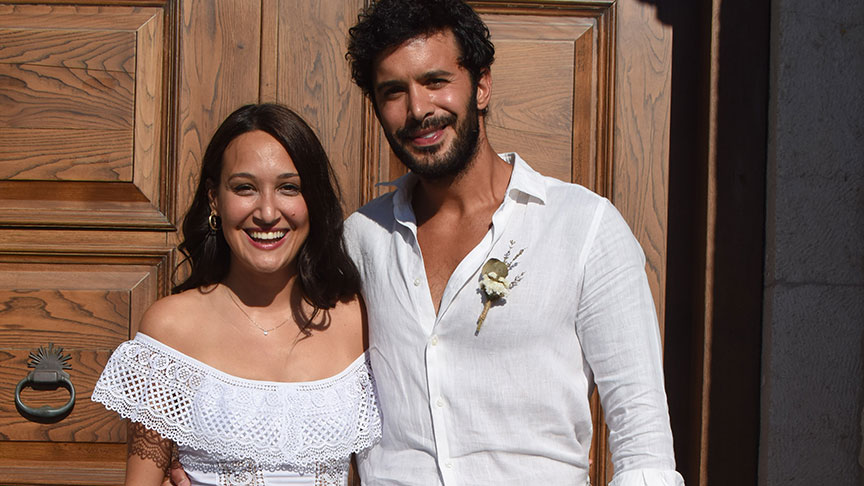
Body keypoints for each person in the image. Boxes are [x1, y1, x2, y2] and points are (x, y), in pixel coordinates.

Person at [171, 0, 684, 484]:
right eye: (393, 91)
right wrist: (203, 458)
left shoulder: (583, 228)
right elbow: (277, 354)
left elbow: (643, 444)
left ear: (481, 85)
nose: (418, 109)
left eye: (435, 81)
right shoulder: (361, 241)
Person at [92, 103, 380, 486]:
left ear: (312, 200)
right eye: (245, 188)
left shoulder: (356, 320)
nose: (267, 212)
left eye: (289, 188)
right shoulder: (170, 329)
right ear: (214, 198)